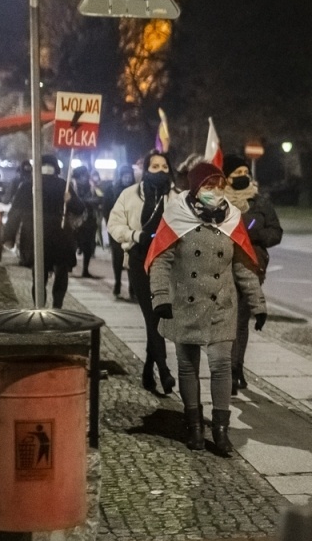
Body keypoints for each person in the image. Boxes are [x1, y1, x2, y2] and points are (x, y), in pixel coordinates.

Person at [147, 161, 267, 456]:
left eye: (218, 185)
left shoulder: (231, 219)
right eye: (208, 186)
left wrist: (257, 302)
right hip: (183, 303)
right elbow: (160, 261)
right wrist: (160, 297)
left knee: (220, 365)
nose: (215, 192)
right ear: (196, 188)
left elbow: (242, 265)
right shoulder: (176, 216)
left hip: (221, 306)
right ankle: (195, 426)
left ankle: (221, 431)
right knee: (188, 367)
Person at [108, 151, 176, 395]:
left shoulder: (176, 197)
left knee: (156, 318)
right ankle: (165, 370)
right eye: (154, 165)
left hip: (166, 263)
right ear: (146, 168)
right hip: (139, 260)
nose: (159, 170)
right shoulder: (130, 194)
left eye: (163, 166)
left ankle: (149, 368)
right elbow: (114, 224)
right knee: (153, 317)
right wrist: (135, 236)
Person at [222, 154, 285, 391]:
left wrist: (256, 237)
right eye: (235, 173)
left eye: (244, 172)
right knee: (229, 318)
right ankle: (229, 367)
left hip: (252, 265)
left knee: (240, 320)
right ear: (226, 178)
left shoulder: (260, 201)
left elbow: (276, 232)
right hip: (224, 266)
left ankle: (235, 368)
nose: (241, 176)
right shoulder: (220, 201)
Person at [0, 155, 76, 309]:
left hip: (36, 235)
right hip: (60, 236)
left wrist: (9, 237)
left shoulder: (28, 186)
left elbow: (15, 212)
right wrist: (70, 200)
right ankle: (57, 307)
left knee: (38, 276)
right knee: (61, 271)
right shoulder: (63, 186)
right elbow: (79, 208)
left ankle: (39, 308)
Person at [101, 163, 135, 299]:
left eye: (129, 176)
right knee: (118, 258)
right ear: (120, 177)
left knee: (132, 259)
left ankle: (133, 288)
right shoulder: (112, 190)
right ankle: (117, 284)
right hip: (117, 229)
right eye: (125, 176)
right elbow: (106, 209)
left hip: (132, 229)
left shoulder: (137, 191)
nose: (127, 178)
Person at [68, 165, 102, 278]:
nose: (85, 178)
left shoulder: (92, 187)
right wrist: (86, 201)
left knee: (88, 247)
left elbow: (98, 200)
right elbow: (70, 201)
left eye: (85, 175)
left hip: (89, 221)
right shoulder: (72, 187)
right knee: (72, 245)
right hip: (74, 222)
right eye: (82, 176)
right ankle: (69, 266)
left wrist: (87, 201)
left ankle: (85, 270)